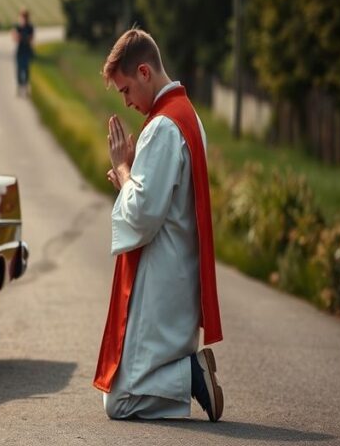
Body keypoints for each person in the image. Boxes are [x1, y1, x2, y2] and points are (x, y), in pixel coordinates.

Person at [93, 28, 224, 421]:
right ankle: (188, 377)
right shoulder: (185, 116)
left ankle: (189, 375)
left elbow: (144, 217)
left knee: (119, 400)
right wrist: (131, 175)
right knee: (123, 393)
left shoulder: (164, 127)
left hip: (159, 281)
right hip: (173, 275)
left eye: (126, 89)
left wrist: (122, 168)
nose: (127, 101)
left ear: (145, 72)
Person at [11, 8, 34, 96]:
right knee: (19, 70)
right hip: (20, 51)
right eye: (22, 16)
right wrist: (22, 37)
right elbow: (15, 38)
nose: (24, 18)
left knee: (26, 70)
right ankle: (20, 86)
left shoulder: (30, 27)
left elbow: (30, 38)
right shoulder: (18, 27)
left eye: (25, 16)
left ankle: (26, 87)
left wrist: (21, 37)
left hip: (27, 51)